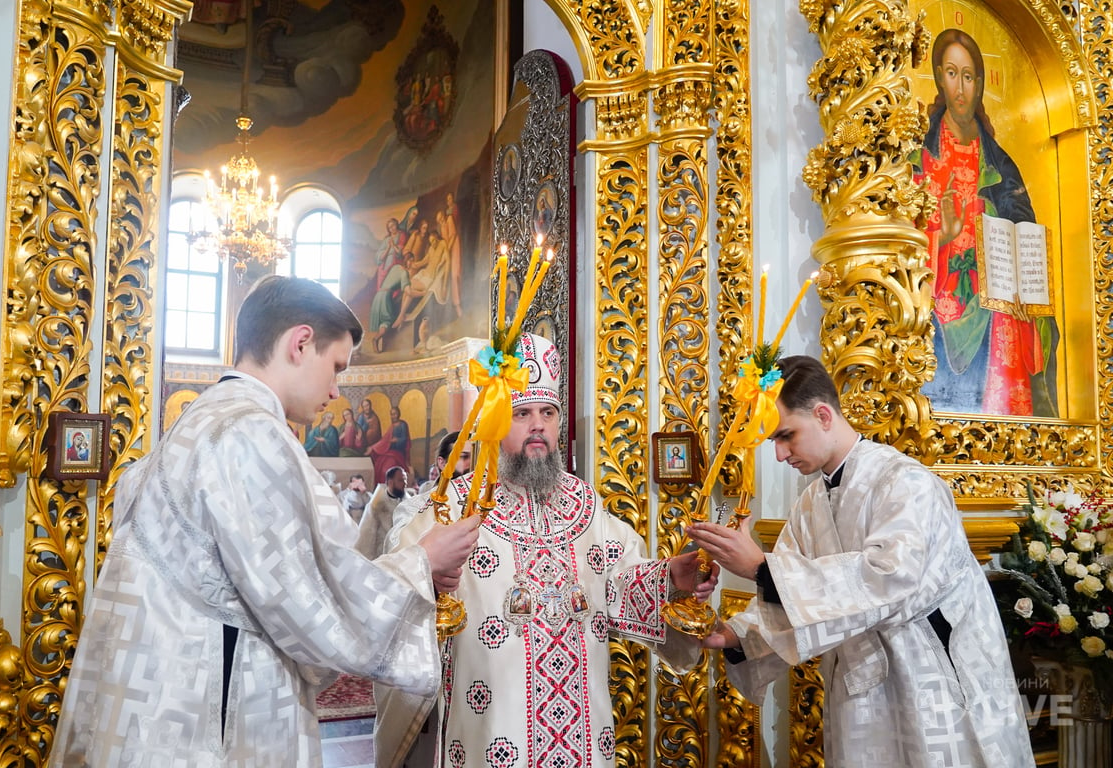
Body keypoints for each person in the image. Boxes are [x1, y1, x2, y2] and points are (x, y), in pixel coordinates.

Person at [50, 276, 481, 767]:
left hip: (159, 700)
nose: (337, 391)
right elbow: (303, 598)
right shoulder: (249, 433)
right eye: (336, 366)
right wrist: (421, 563)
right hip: (211, 714)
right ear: (300, 343)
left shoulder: (207, 419)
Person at [374, 333, 718, 768]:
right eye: (522, 413)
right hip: (492, 730)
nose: (538, 424)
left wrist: (670, 579)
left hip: (583, 733)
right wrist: (431, 580)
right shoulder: (454, 505)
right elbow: (395, 584)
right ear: (498, 420)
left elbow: (621, 584)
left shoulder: (586, 507)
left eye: (548, 412)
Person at [686, 355, 1035, 767]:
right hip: (862, 696)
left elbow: (889, 580)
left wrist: (762, 568)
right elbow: (795, 593)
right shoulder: (811, 503)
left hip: (932, 685)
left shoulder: (906, 482)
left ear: (823, 414)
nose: (780, 455)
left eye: (786, 436)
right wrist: (736, 636)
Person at [911, 28, 1058, 417]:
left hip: (995, 309)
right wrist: (941, 238)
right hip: (938, 302)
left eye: (969, 75)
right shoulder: (919, 158)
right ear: (939, 78)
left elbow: (1022, 227)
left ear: (979, 83)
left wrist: (1026, 288)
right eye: (951, 73)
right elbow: (899, 243)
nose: (960, 86)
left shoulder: (1001, 163)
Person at [357, 466, 408, 560]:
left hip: (402, 557)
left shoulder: (409, 502)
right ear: (390, 482)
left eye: (405, 480)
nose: (405, 483)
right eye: (401, 480)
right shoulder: (377, 504)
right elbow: (367, 535)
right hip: (381, 557)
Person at [417, 431, 472, 496]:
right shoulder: (427, 494)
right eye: (464, 457)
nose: (471, 463)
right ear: (442, 463)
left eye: (476, 457)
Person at [367, 405, 411, 481]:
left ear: (399, 414)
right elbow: (384, 440)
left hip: (398, 452)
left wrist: (397, 440)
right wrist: (373, 447)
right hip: (389, 451)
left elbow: (405, 439)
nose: (393, 416)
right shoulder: (392, 426)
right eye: (391, 414)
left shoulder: (403, 424)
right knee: (379, 464)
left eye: (395, 414)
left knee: (387, 468)